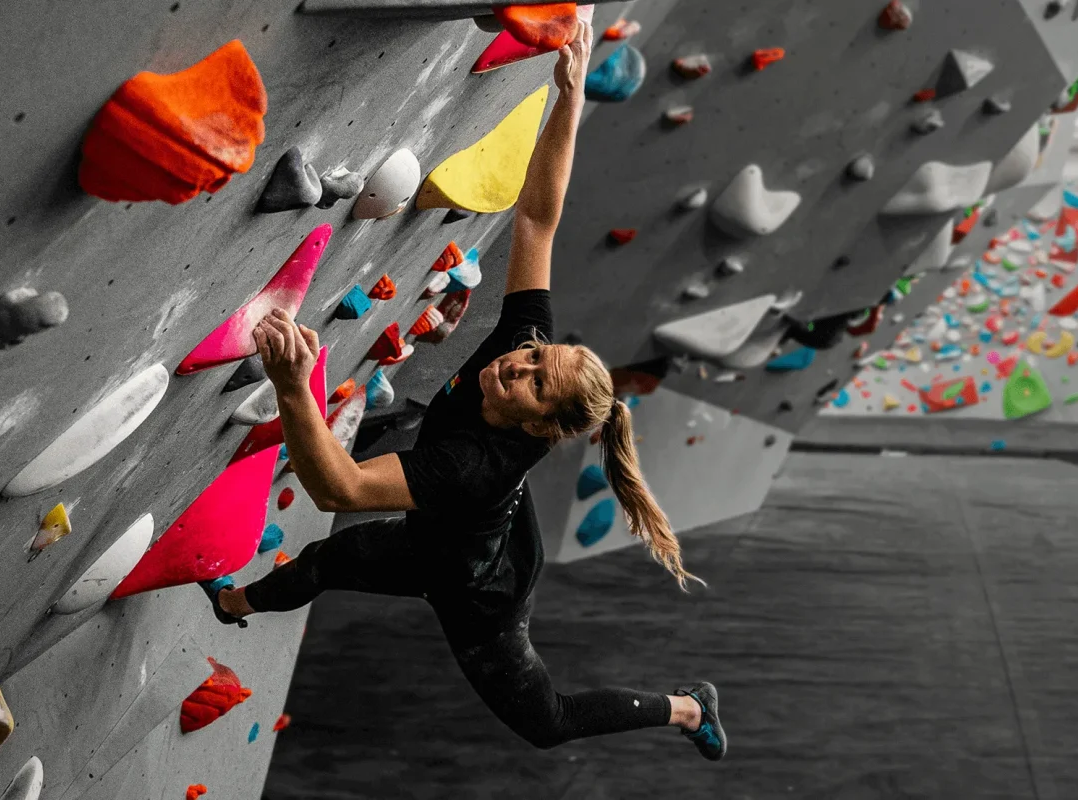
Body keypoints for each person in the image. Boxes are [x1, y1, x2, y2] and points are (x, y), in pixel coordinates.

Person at [202, 21, 725, 761]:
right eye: (538, 356)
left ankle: (683, 707)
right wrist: (569, 102)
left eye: (533, 382)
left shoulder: (475, 463)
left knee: (543, 723)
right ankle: (231, 602)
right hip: (464, 525)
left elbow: (340, 489)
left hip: (478, 586)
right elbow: (538, 220)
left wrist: (296, 389)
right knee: (324, 566)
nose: (517, 364)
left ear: (542, 425)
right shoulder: (527, 344)